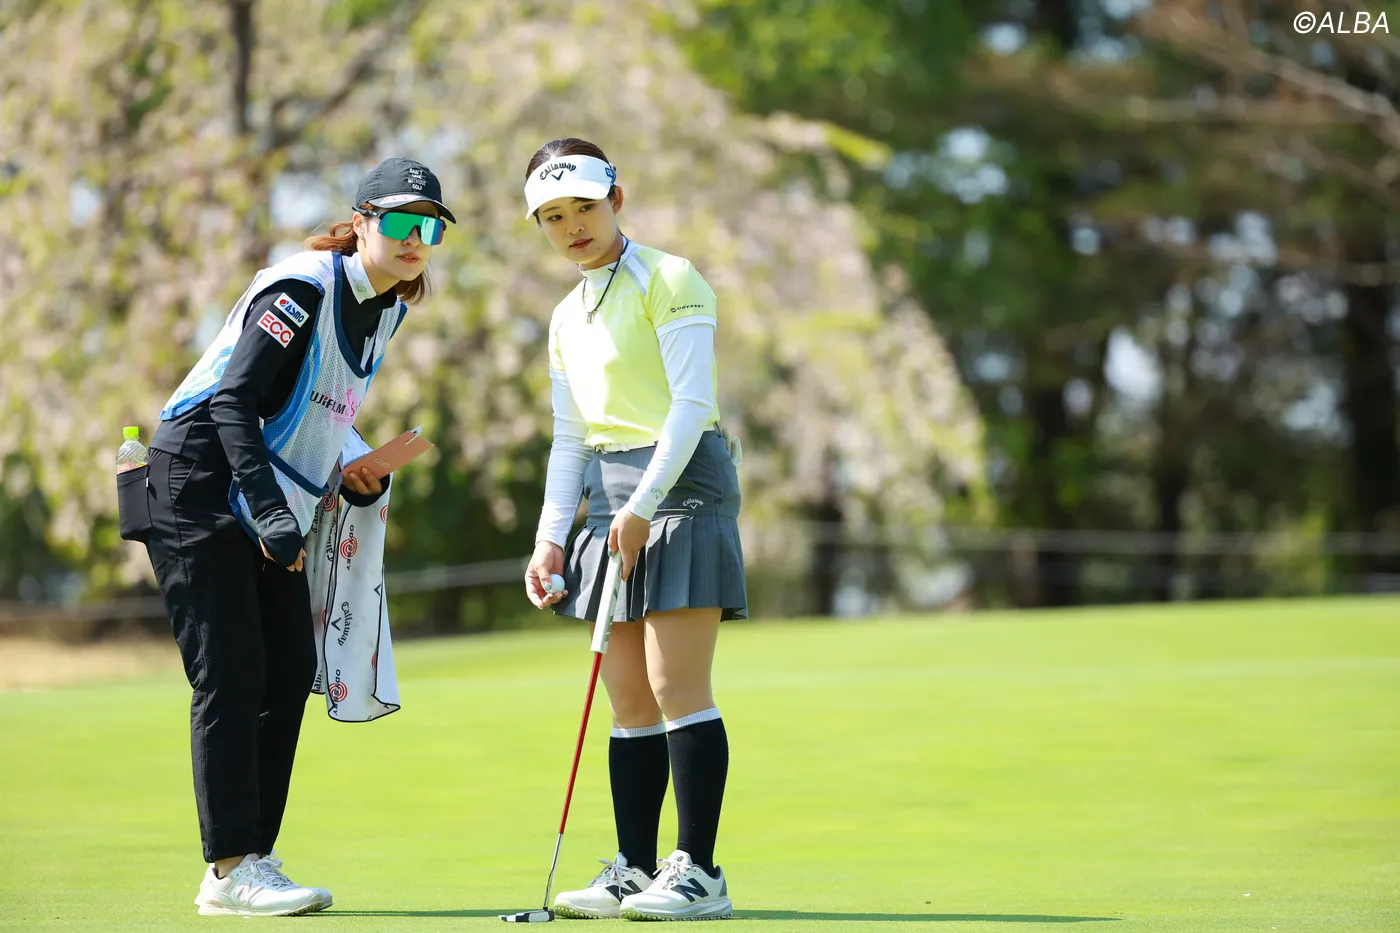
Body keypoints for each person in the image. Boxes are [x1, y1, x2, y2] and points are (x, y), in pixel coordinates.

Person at [142, 158, 454, 916]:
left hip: (265, 492)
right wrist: (271, 512)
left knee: (288, 671)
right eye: (401, 221)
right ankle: (229, 870)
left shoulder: (385, 308)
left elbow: (323, 411)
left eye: (430, 227)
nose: (416, 238)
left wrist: (356, 468)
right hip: (199, 482)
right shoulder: (302, 287)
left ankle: (254, 859)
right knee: (231, 673)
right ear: (362, 222)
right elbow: (233, 401)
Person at [523, 138, 746, 922]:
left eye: (584, 207)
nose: (572, 226)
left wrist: (644, 504)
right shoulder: (565, 315)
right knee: (627, 696)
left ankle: (700, 872)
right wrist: (551, 537)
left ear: (616, 200)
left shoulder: (671, 279)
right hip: (610, 497)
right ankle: (635, 866)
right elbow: (569, 436)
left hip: (680, 491)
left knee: (674, 683)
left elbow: (691, 407)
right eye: (553, 216)